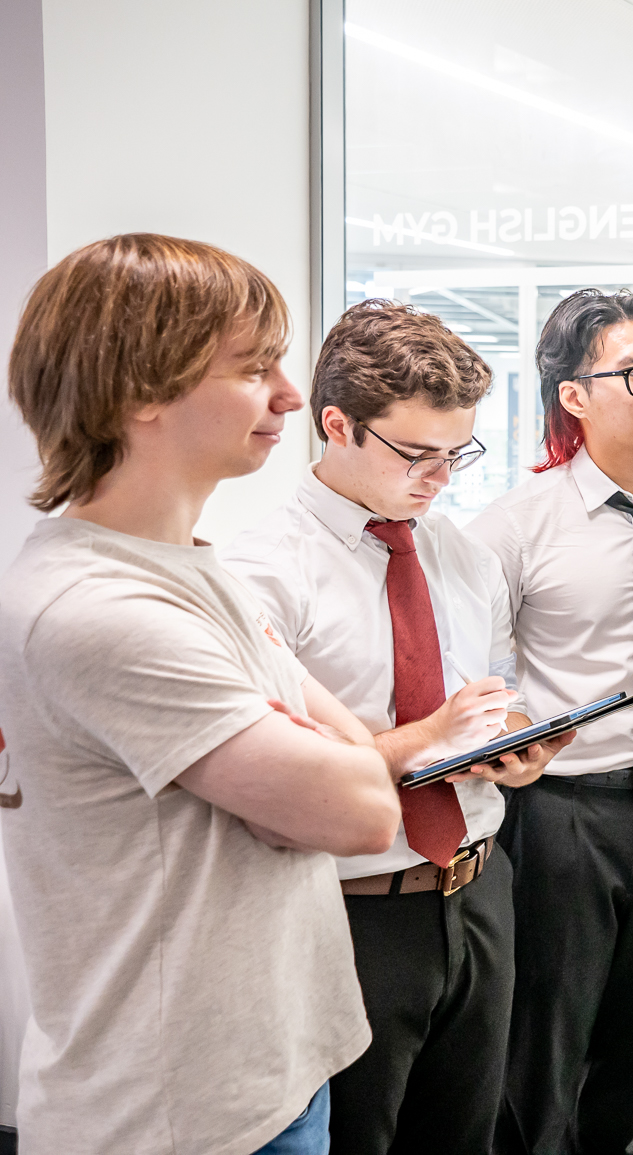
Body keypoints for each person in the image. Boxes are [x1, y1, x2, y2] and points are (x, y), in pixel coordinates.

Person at [0, 234, 402, 1154]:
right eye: (254, 369)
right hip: (177, 1113)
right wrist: (315, 776)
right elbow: (364, 808)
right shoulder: (99, 610)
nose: (291, 395)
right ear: (140, 389)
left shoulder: (188, 564)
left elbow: (352, 761)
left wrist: (307, 779)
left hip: (268, 1068)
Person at [222, 300, 574, 1155]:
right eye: (417, 454)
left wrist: (517, 742)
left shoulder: (462, 554)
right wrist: (428, 736)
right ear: (337, 425)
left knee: (464, 1137)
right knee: (354, 1138)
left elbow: (500, 690)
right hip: (349, 911)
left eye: (458, 453)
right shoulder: (261, 570)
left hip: (478, 889)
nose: (441, 477)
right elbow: (281, 776)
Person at [466, 288, 633, 1155]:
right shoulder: (514, 526)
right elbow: (483, 678)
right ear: (574, 394)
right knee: (541, 1059)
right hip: (563, 819)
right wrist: (511, 727)